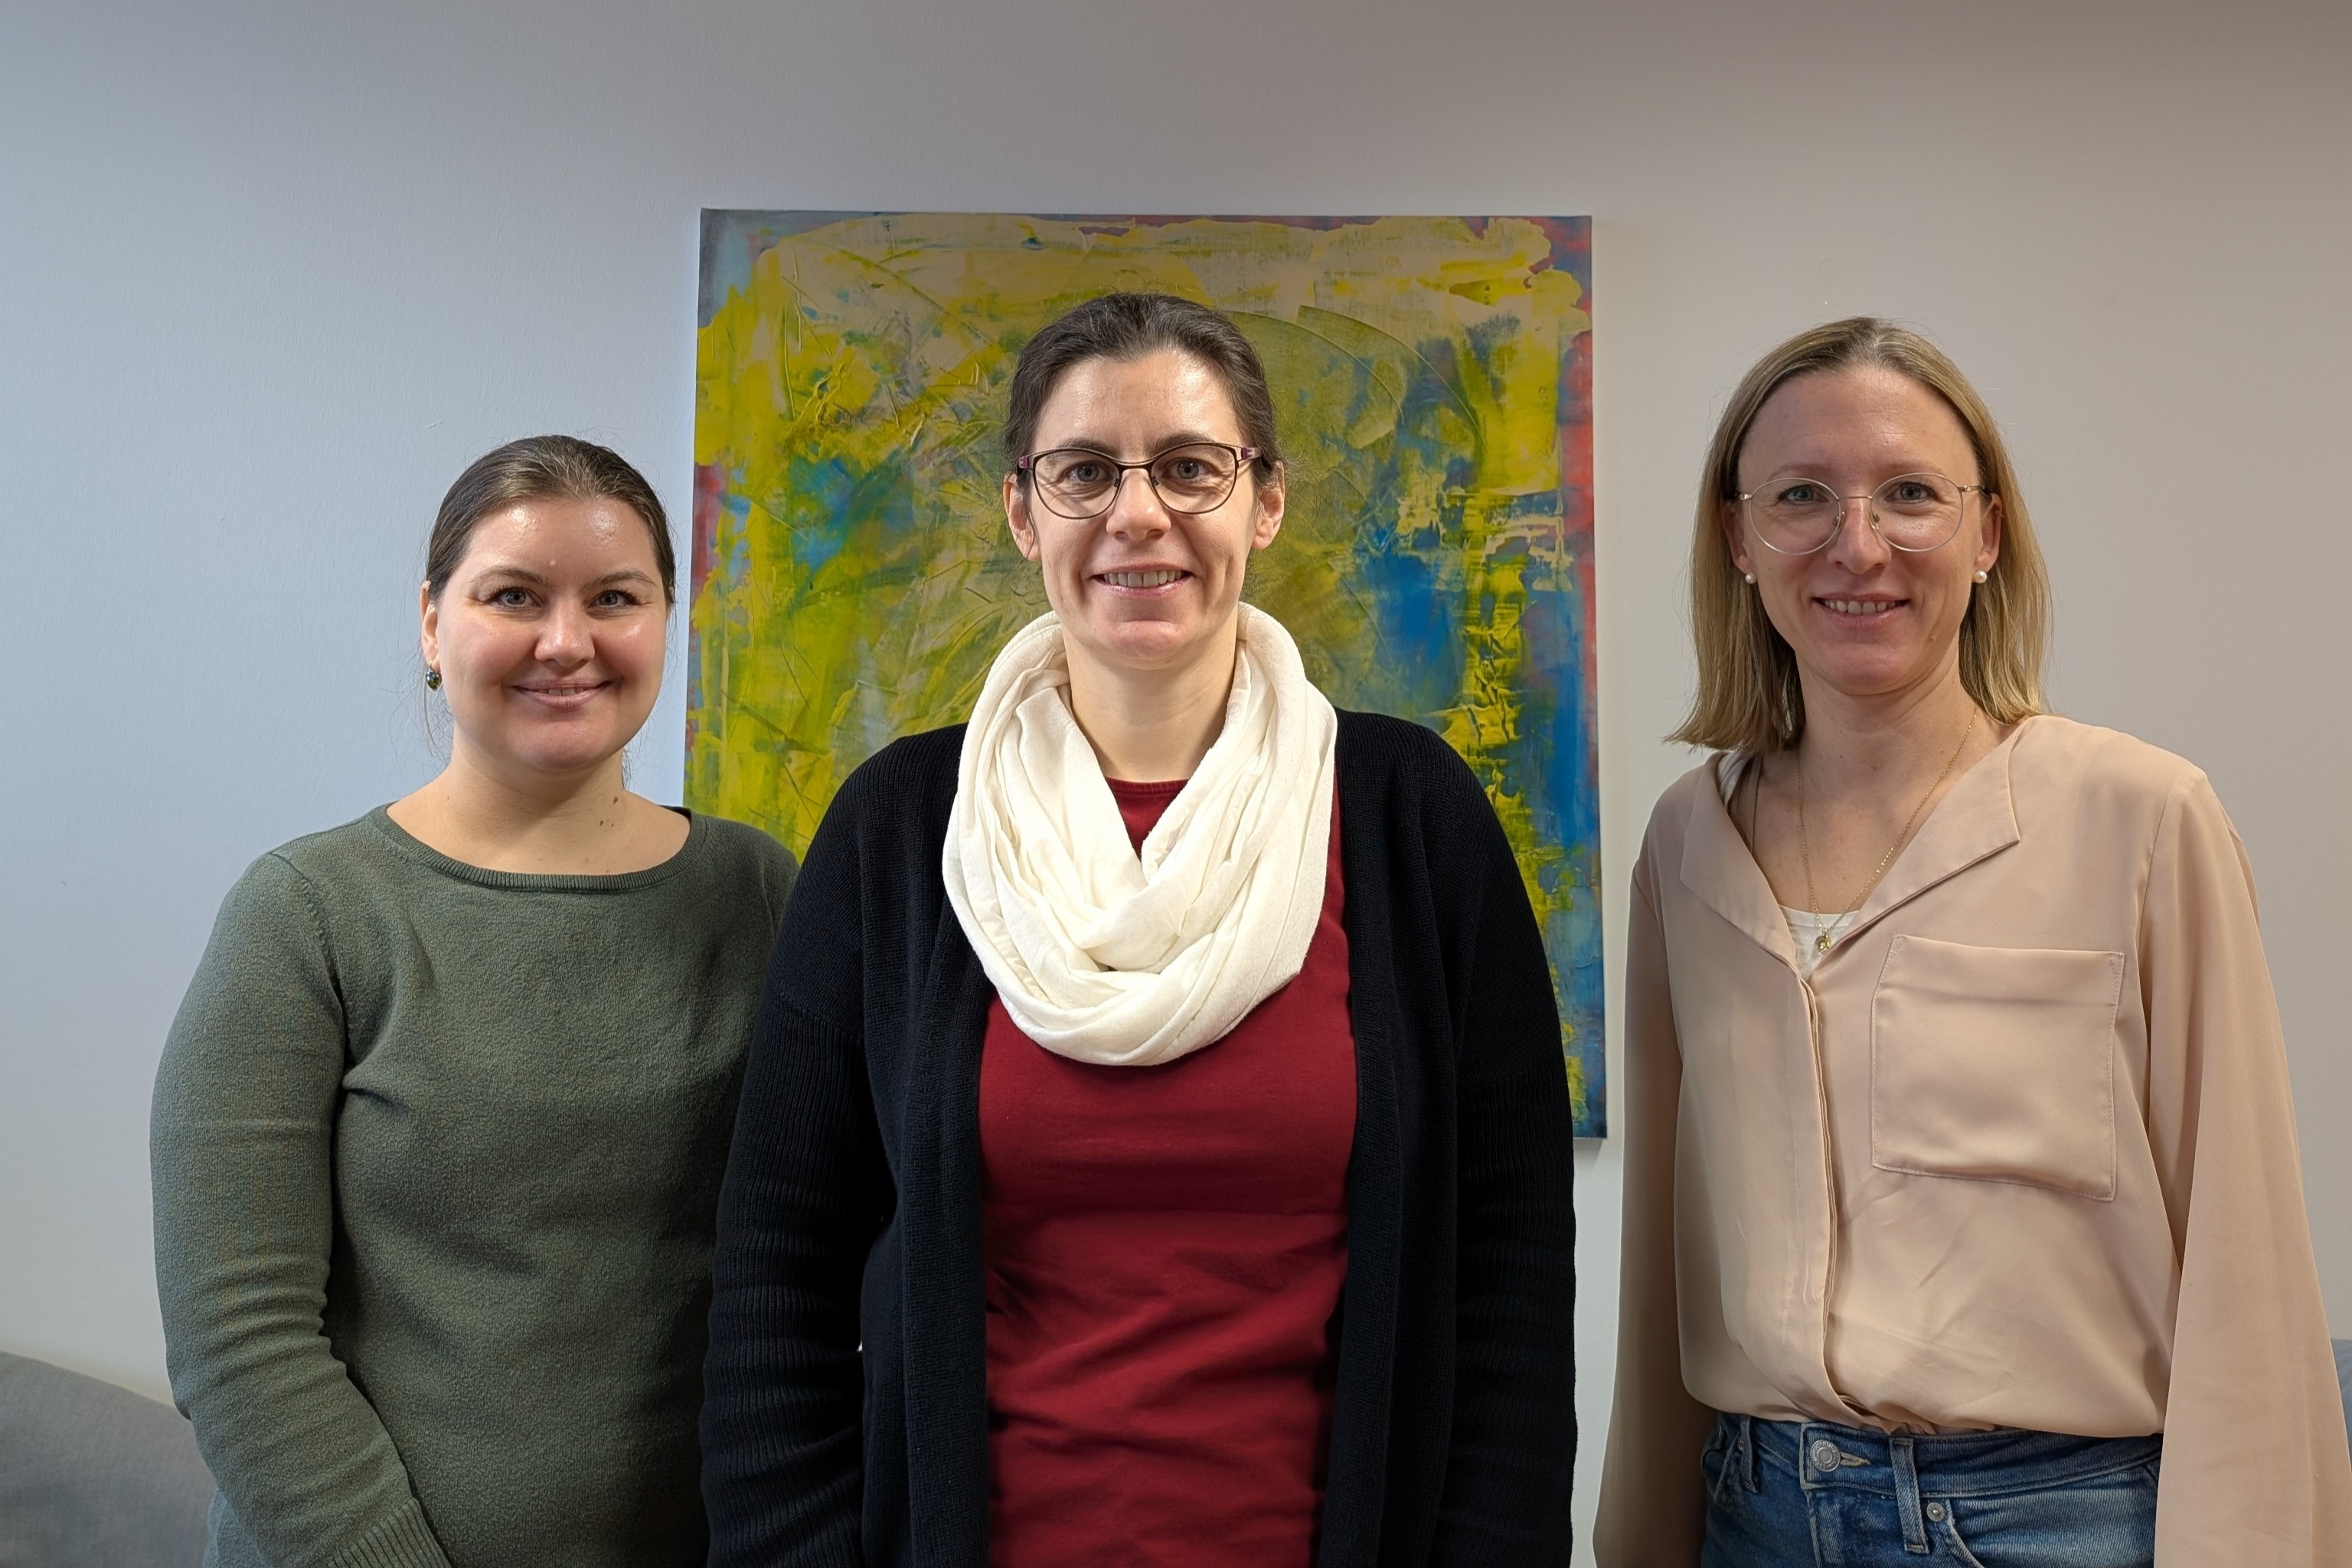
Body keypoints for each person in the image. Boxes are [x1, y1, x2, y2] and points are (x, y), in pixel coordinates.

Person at [700, 292, 1579, 1566]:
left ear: (1263, 502)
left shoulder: (1408, 821)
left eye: (1189, 468)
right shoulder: (901, 829)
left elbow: (1505, 1274)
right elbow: (778, 1260)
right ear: (1023, 511)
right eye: (1084, 473)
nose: (1138, 512)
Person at [1594, 318, 2352, 1564]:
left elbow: (2247, 1265)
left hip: (2056, 1524)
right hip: (1753, 1515)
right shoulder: (1690, 844)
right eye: (1800, 496)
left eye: (1909, 494)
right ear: (1738, 540)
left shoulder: (2143, 819)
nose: (1858, 544)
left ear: (1987, 533)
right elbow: (1663, 1272)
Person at [152, 436, 797, 1568]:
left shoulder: (757, 890)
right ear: (432, 625)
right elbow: (237, 1339)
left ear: (663, 625)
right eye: (514, 595)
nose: (568, 641)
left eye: (615, 598)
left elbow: (813, 1260)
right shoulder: (308, 913)